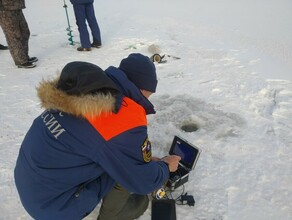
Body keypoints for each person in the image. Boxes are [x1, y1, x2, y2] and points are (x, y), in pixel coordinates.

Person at [14, 53, 181, 220]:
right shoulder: (123, 116)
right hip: (55, 208)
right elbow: (145, 181)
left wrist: (138, 158)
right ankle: (111, 216)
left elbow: (92, 139)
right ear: (144, 89)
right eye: (149, 94)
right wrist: (166, 167)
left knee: (115, 156)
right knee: (128, 175)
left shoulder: (83, 89)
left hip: (30, 185)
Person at [0, 0, 37, 68]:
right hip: (5, 9)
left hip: (17, 6)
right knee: (13, 35)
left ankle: (24, 57)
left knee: (25, 32)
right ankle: (20, 61)